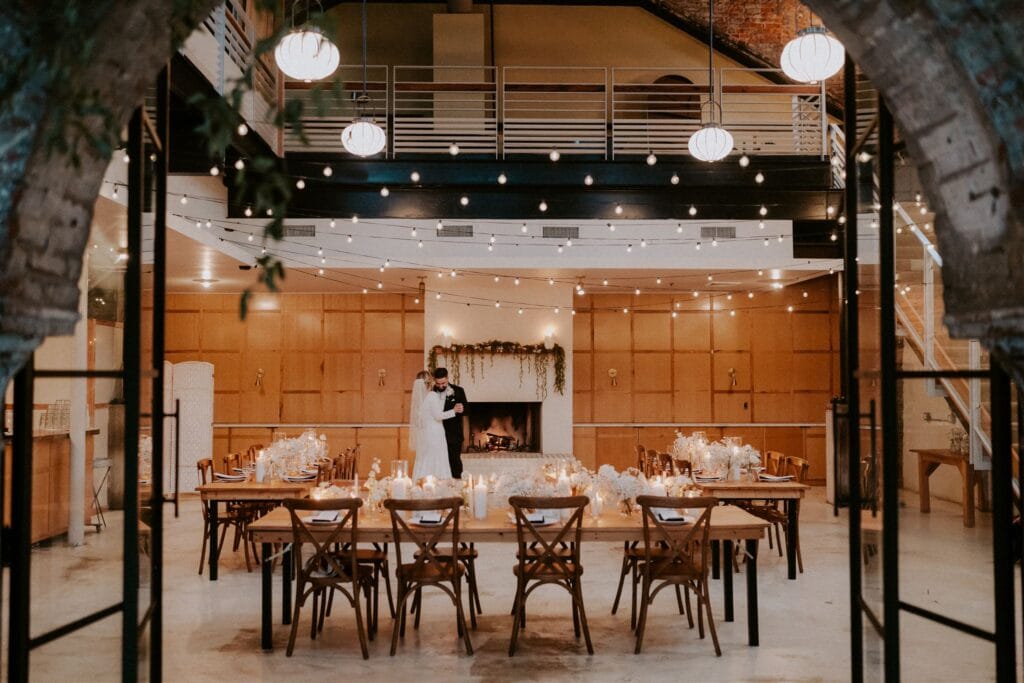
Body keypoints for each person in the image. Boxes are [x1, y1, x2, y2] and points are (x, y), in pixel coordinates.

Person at [411, 372, 460, 481]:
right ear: (430, 382)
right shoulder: (431, 396)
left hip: (425, 434)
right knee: (438, 457)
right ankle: (438, 484)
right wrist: (454, 411)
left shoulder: (419, 399)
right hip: (435, 433)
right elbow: (438, 416)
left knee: (426, 458)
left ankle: (422, 482)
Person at [432, 367, 468, 479]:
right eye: (438, 384)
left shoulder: (458, 391)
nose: (441, 386)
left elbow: (467, 409)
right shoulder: (431, 392)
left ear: (447, 378)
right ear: (434, 381)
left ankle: (458, 489)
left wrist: (462, 409)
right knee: (439, 464)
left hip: (453, 434)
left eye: (443, 383)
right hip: (436, 435)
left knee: (455, 463)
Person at [407, 370, 432, 455]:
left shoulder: (431, 395)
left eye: (429, 382)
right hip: (424, 433)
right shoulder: (418, 400)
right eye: (426, 383)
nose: (429, 385)